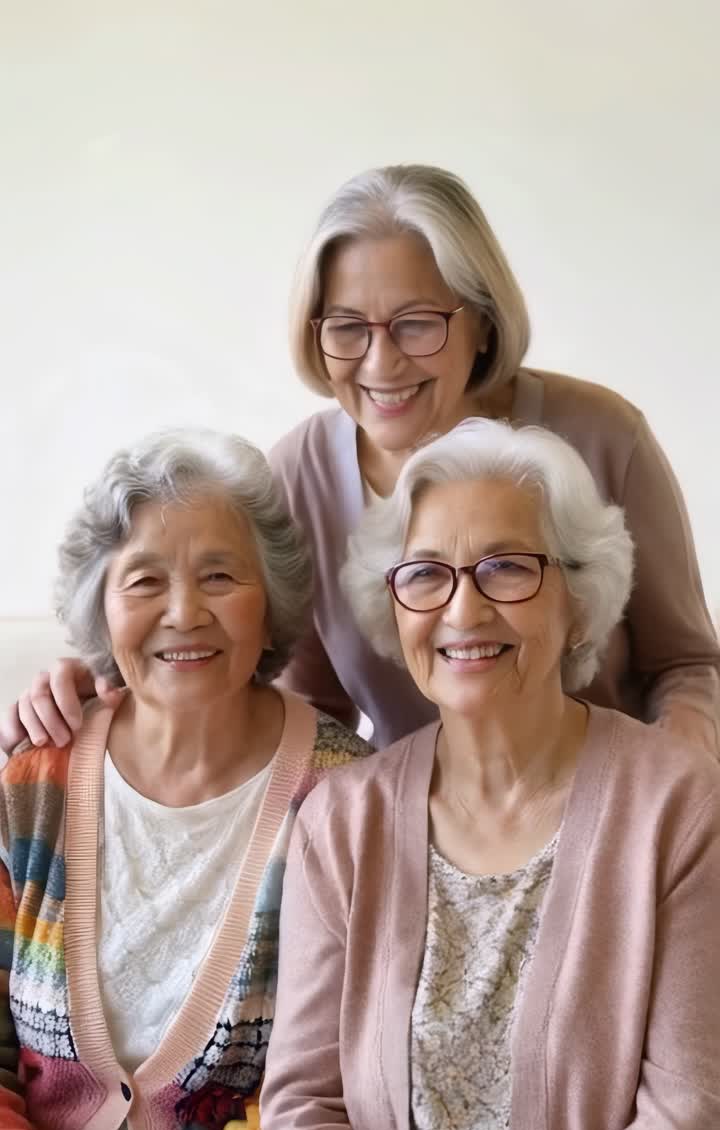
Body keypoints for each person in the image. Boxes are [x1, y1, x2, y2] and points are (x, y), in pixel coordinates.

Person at [2, 164, 718, 753]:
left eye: (417, 324)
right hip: (419, 820)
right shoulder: (299, 476)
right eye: (347, 327)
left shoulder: (601, 435)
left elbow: (686, 663)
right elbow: (297, 698)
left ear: (482, 320)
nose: (381, 363)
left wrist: (671, 778)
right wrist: (110, 693)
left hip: (614, 807)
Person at [261, 420, 720, 1130]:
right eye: (426, 575)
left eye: (508, 567)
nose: (464, 610)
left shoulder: (679, 805)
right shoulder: (342, 819)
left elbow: (691, 1115)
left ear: (578, 595)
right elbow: (305, 1104)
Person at [0, 429, 369, 1130]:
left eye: (219, 576)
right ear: (101, 604)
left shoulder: (346, 798)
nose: (183, 613)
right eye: (145, 581)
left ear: (271, 599)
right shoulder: (34, 780)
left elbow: (335, 1090)